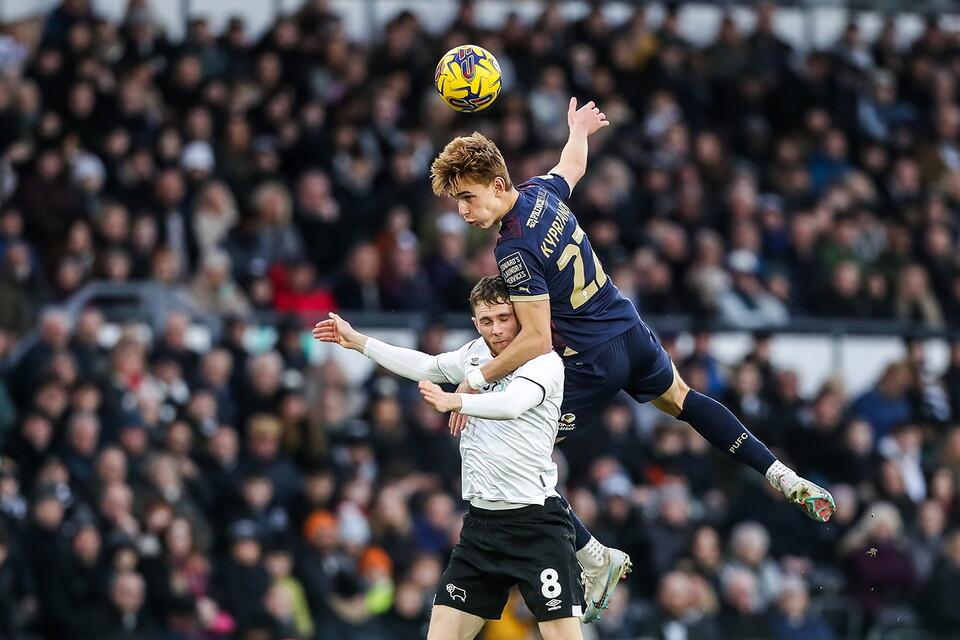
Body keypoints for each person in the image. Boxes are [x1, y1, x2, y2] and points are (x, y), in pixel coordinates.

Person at [429, 97, 836, 621]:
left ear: (497, 184)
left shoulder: (513, 249)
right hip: (630, 329)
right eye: (456, 201)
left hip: (590, 359)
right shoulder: (538, 193)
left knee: (512, 456)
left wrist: (474, 381)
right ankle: (779, 473)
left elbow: (534, 340)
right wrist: (579, 130)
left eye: (468, 197)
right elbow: (571, 165)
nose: (463, 211)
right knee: (684, 401)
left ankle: (592, 557)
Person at [314, 276, 585, 640]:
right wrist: (360, 342)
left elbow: (512, 403)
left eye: (504, 318)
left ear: (521, 315)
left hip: (535, 523)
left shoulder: (543, 361)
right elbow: (427, 366)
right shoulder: (475, 353)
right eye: (487, 321)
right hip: (481, 527)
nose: (497, 329)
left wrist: (456, 399)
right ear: (475, 323)